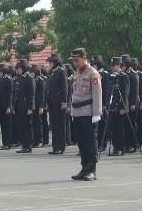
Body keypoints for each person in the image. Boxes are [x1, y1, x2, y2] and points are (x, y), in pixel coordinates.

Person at [69, 48, 102, 181]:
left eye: (77, 60)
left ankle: (92, 170)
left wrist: (96, 113)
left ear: (84, 58)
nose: (75, 63)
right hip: (77, 112)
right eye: (73, 60)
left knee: (90, 142)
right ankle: (84, 168)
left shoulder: (92, 73)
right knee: (81, 142)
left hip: (88, 112)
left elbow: (97, 94)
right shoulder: (77, 73)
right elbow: (74, 92)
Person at [47, 54, 68, 155]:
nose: (49, 64)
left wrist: (64, 101)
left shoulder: (61, 71)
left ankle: (61, 147)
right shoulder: (51, 73)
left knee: (60, 125)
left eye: (50, 62)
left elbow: (64, 87)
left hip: (59, 102)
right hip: (52, 102)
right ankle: (55, 147)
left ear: (55, 62)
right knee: (54, 125)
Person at [108, 57, 129, 156]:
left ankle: (120, 148)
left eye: (114, 65)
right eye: (112, 66)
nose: (112, 67)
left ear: (119, 65)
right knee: (113, 129)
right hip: (112, 106)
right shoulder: (111, 76)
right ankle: (115, 147)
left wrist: (123, 107)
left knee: (120, 129)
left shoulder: (123, 76)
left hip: (120, 106)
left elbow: (125, 93)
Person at [14, 59, 35, 153]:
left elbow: (31, 94)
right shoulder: (19, 78)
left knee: (27, 127)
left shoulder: (29, 78)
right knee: (21, 126)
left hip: (26, 106)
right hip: (19, 106)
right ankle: (24, 145)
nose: (18, 70)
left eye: (19, 68)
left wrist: (31, 107)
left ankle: (28, 146)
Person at [123, 56, 140, 153]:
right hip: (126, 103)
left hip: (132, 103)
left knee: (132, 125)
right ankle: (127, 143)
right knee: (126, 125)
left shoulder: (133, 75)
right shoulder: (125, 74)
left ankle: (133, 144)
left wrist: (133, 103)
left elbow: (135, 90)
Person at [0, 65, 14, 150]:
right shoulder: (0, 80)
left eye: (0, 71)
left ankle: (8, 143)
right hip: (0, 106)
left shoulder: (8, 80)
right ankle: (4, 143)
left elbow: (10, 94)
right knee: (3, 126)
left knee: (7, 126)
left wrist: (8, 106)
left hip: (6, 106)